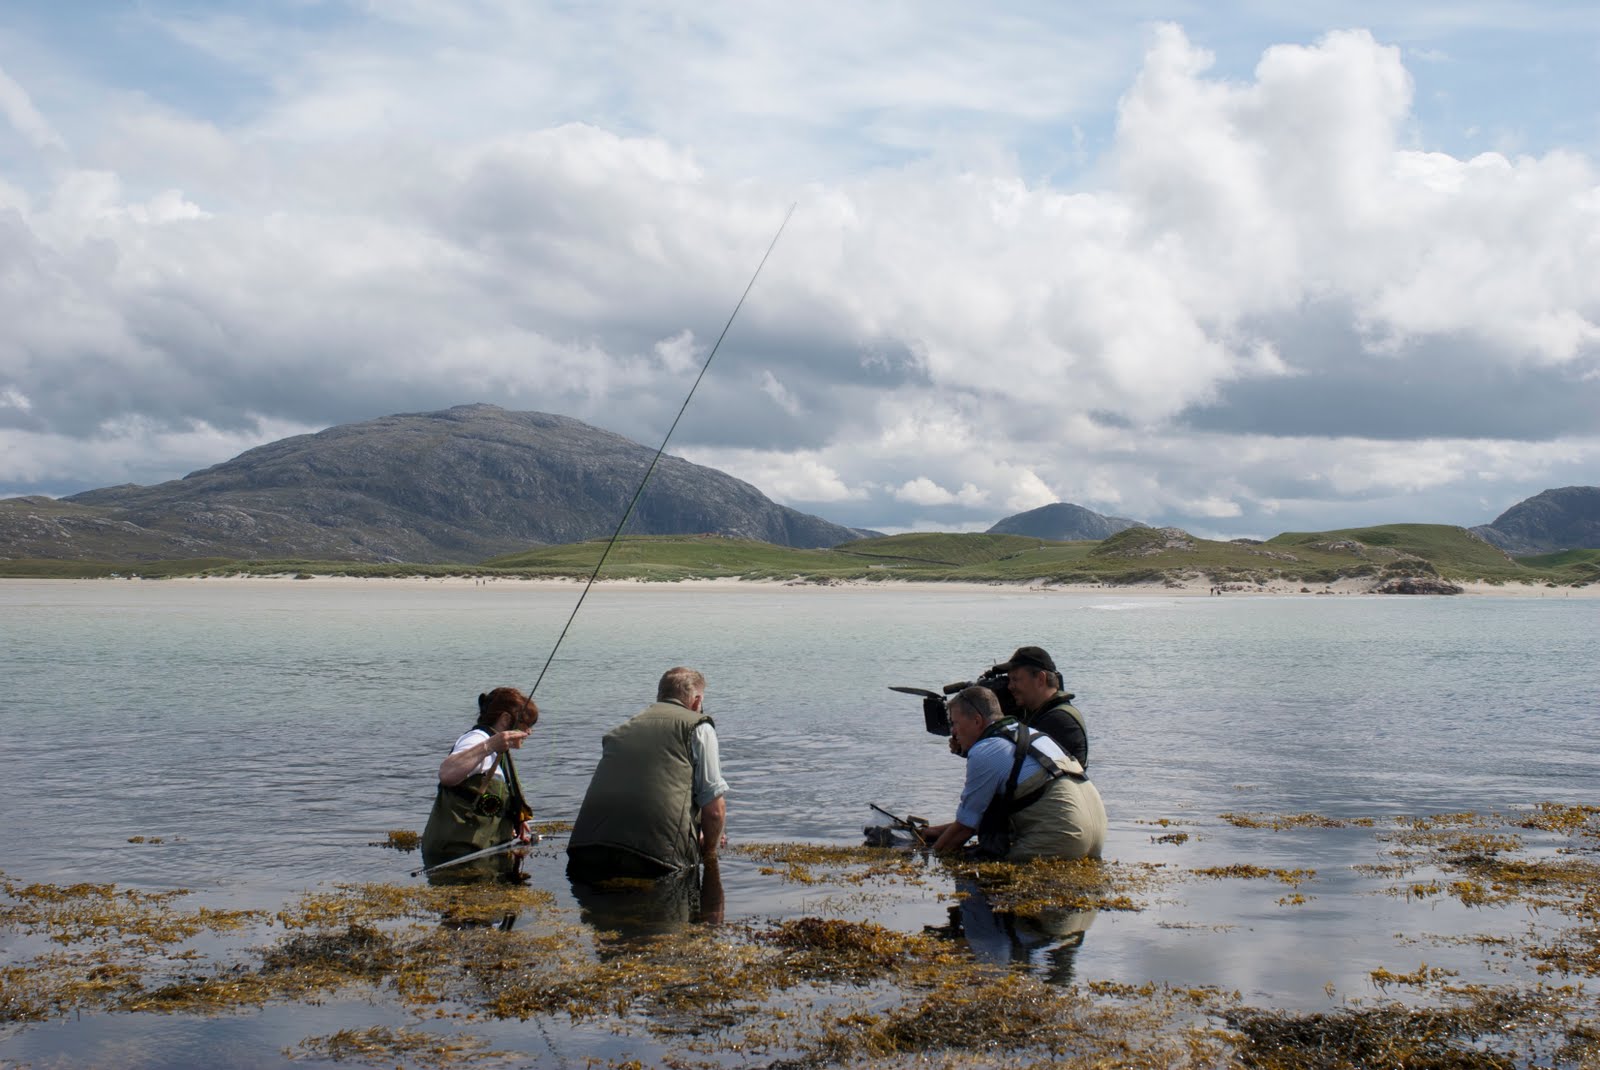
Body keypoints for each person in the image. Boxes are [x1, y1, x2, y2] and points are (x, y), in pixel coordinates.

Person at [567, 667, 727, 880]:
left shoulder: (620, 730)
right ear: (697, 701)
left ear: (660, 696)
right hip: (656, 859)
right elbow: (714, 811)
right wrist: (709, 851)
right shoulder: (699, 727)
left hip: (584, 850)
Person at [922, 686, 1106, 862]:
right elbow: (986, 819)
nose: (953, 732)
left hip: (1065, 839)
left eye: (955, 723)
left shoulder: (985, 751)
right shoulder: (1031, 734)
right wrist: (936, 832)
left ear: (977, 721)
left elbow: (964, 828)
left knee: (977, 866)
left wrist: (929, 854)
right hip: (1097, 833)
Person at [419, 687, 538, 875]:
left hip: (476, 853)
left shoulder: (496, 747)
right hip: (455, 857)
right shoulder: (477, 740)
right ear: (505, 719)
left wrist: (513, 818)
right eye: (526, 724)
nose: (529, 732)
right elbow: (447, 773)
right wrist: (490, 745)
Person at [997, 645, 1088, 770]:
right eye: (1009, 680)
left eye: (1015, 679)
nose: (1010, 686)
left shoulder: (1058, 721)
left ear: (1040, 679)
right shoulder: (1037, 713)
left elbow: (1015, 767)